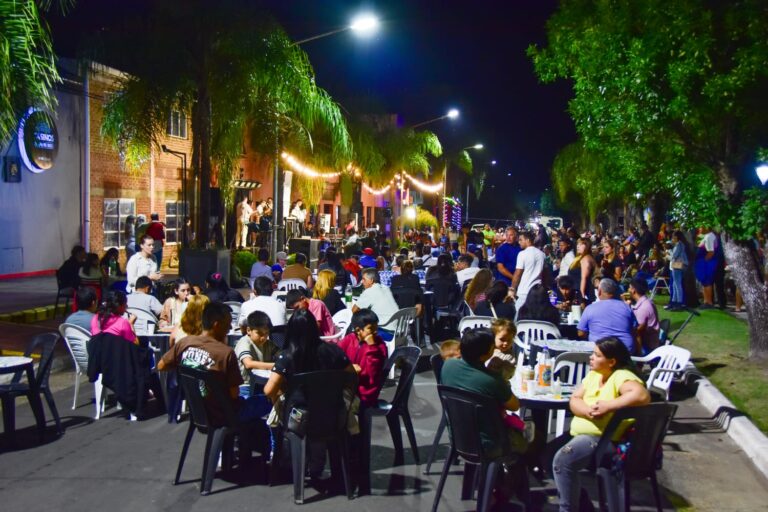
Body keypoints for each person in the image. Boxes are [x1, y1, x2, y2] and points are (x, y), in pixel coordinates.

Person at [552, 337, 651, 511]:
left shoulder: (621, 375)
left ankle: (568, 509)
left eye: (597, 355)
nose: (591, 357)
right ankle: (582, 504)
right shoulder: (594, 375)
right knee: (544, 456)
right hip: (582, 435)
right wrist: (586, 411)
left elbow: (641, 395)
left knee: (563, 460)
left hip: (603, 439)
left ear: (612, 361)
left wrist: (608, 406)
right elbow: (575, 398)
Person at [159, 302, 269, 425]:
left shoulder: (184, 343)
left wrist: (190, 367)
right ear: (216, 325)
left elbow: (161, 366)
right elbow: (234, 393)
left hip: (197, 411)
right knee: (269, 400)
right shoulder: (225, 353)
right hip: (224, 414)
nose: (229, 329)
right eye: (227, 325)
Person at [441, 328, 527, 457]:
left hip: (458, 436)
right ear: (485, 354)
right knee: (536, 439)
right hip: (488, 443)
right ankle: (517, 475)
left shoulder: (448, 366)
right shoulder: (492, 380)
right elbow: (514, 406)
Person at [337, 309, 388, 407]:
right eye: (371, 328)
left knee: (337, 401)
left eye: (376, 327)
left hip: (365, 393)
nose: (375, 331)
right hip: (349, 387)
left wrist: (372, 347)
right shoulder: (350, 339)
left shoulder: (379, 346)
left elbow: (373, 373)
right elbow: (336, 353)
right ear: (358, 330)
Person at [577, 279, 635, 353]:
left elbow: (581, 333)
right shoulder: (626, 307)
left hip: (601, 351)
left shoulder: (590, 308)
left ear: (599, 291)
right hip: (625, 351)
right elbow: (634, 330)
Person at [353, 268, 400, 339]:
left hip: (386, 331)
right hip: (399, 330)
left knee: (358, 332)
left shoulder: (370, 291)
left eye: (364, 279)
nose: (362, 282)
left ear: (371, 280)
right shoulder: (386, 288)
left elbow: (354, 310)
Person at [235, 311, 279, 381]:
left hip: (263, 381)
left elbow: (281, 355)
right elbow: (248, 364)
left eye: (266, 333)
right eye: (259, 333)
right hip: (246, 384)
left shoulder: (268, 344)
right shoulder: (244, 342)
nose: (263, 337)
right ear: (249, 330)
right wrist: (276, 366)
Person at [510, 231, 546, 308]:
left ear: (528, 240)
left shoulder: (522, 254)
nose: (519, 242)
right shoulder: (542, 254)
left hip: (524, 291)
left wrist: (512, 289)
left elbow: (518, 273)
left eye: (521, 240)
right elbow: (545, 274)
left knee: (519, 316)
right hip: (538, 291)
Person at [626, 278, 660, 355]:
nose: (628, 290)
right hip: (651, 341)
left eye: (629, 287)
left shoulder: (643, 308)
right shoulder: (646, 302)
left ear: (633, 290)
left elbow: (637, 331)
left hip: (646, 347)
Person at [694, 227, 718, 309]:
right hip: (705, 263)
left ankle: (709, 302)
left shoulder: (709, 237)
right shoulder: (707, 236)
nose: (700, 229)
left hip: (707, 264)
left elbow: (711, 252)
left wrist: (704, 262)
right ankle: (706, 301)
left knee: (707, 282)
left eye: (701, 227)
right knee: (705, 283)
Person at [568, 237, 597, 304]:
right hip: (575, 291)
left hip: (583, 293)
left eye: (581, 244)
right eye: (577, 244)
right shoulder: (579, 258)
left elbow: (584, 278)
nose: (578, 246)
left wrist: (582, 296)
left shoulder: (586, 259)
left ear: (587, 246)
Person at [667, 230, 689, 311]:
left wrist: (668, 251)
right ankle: (674, 302)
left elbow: (674, 256)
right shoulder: (678, 245)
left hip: (678, 266)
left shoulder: (679, 245)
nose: (672, 238)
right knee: (674, 284)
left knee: (677, 285)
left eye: (674, 237)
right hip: (675, 266)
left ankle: (679, 303)